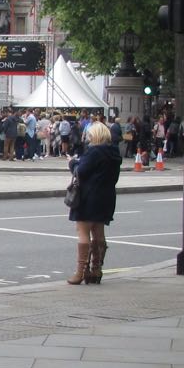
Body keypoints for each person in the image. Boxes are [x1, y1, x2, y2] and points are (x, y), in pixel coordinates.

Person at [66, 120, 121, 284]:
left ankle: (81, 272)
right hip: (107, 196)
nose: (88, 139)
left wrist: (73, 162)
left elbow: (81, 172)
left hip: (89, 196)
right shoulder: (115, 153)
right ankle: (96, 270)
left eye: (89, 136)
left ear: (94, 136)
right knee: (99, 232)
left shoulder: (94, 152)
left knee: (83, 232)